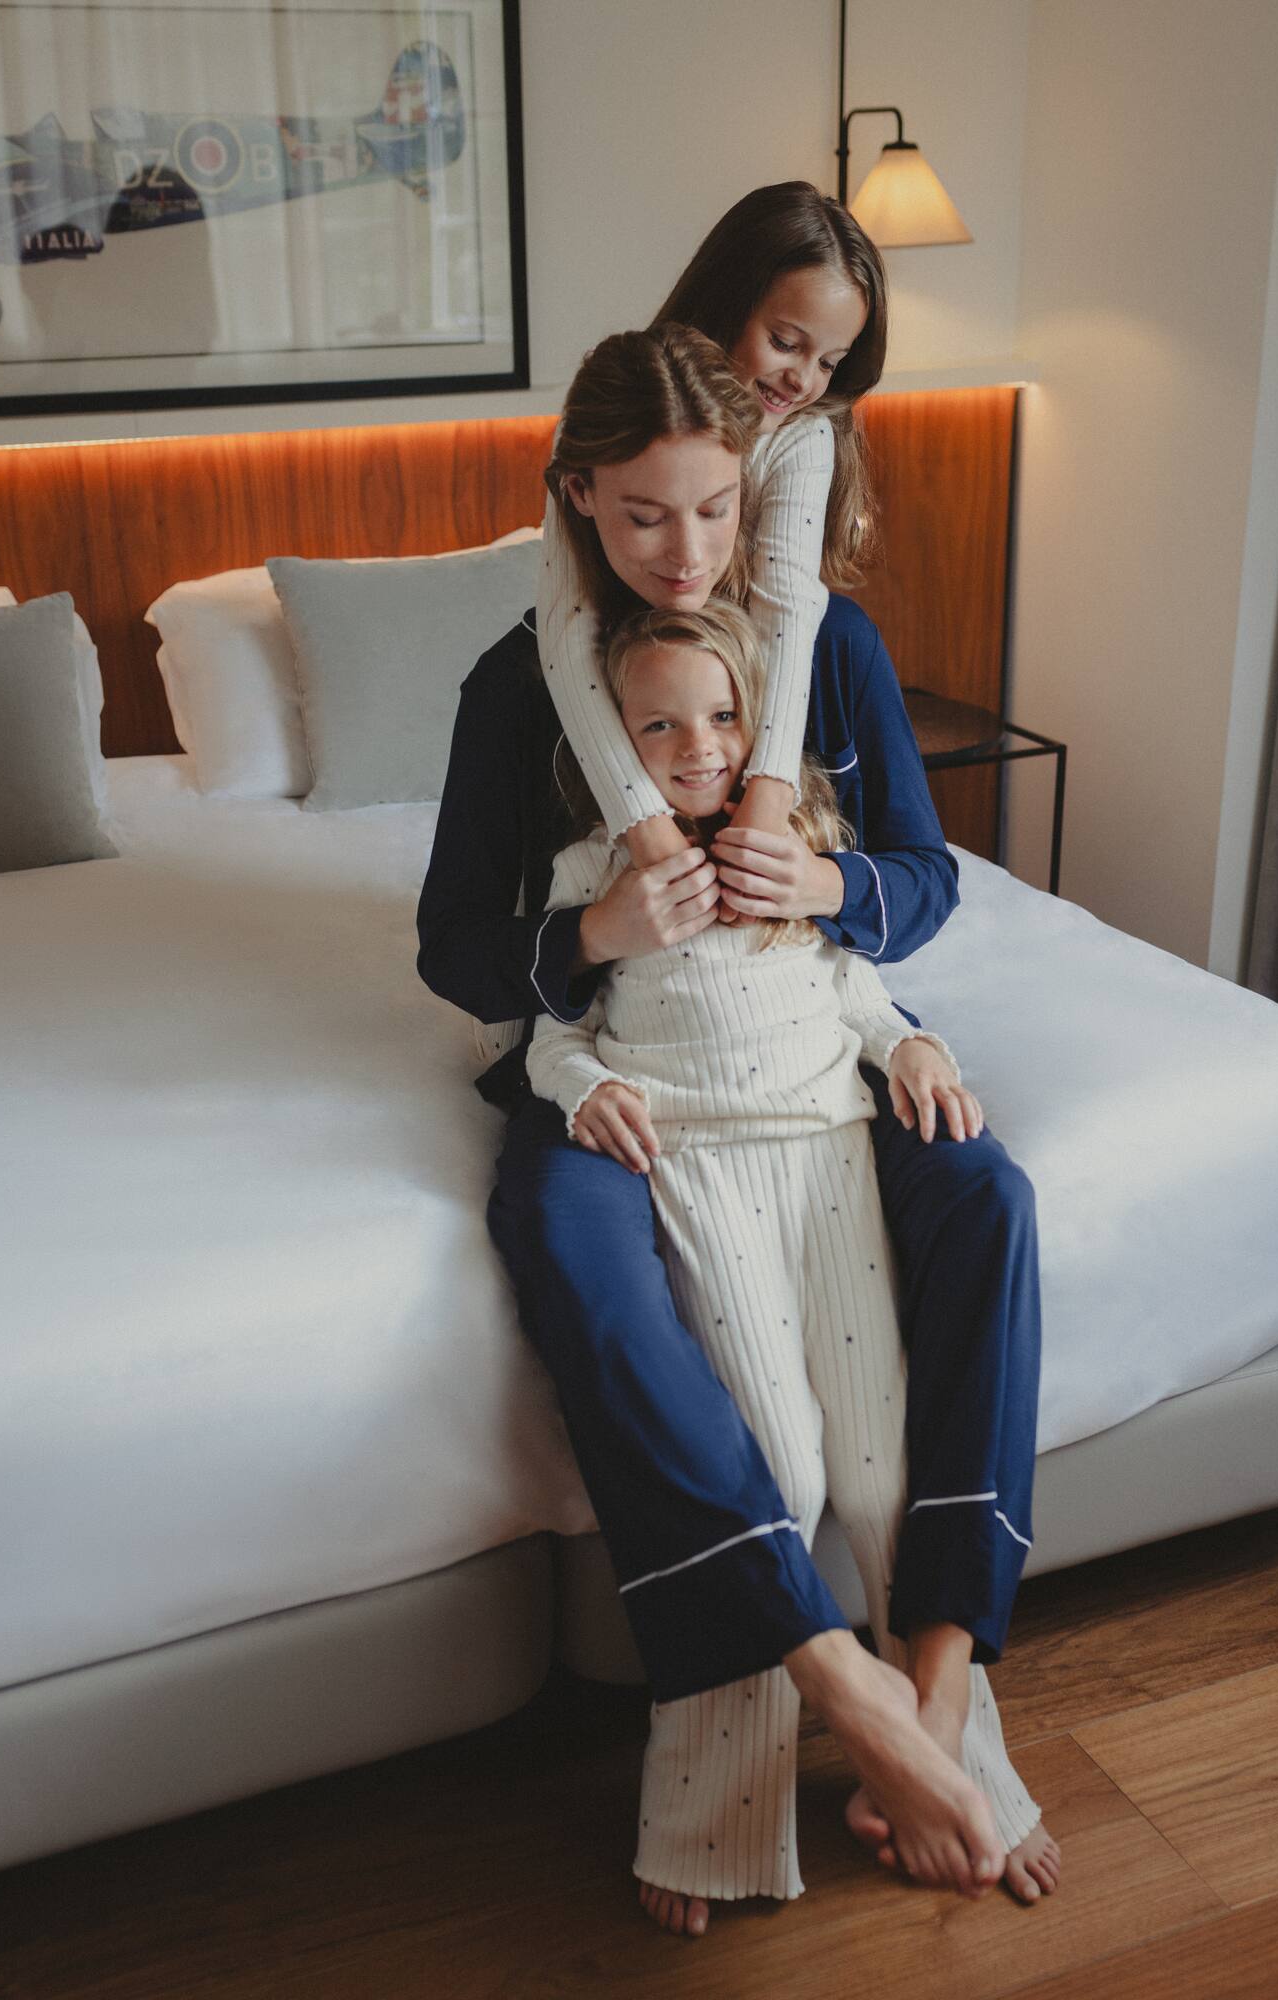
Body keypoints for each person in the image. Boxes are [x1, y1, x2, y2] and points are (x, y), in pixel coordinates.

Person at [415, 325, 1053, 1937]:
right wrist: (599, 942)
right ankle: (801, 1726)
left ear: (752, 490)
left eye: (707, 514)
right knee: (571, 1242)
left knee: (985, 1193)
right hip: (627, 1063)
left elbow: (918, 877)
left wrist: (835, 898)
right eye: (639, 519)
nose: (679, 555)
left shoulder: (817, 651)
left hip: (810, 1052)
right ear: (578, 503)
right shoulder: (518, 686)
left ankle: (940, 1695)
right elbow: (454, 949)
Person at [527, 600, 1041, 1916]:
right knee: (783, 1474)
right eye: (658, 722)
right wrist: (585, 1084)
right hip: (702, 1169)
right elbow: (545, 1026)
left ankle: (953, 1754)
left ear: (761, 729)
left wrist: (910, 1042)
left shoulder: (795, 840)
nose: (696, 746)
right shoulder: (598, 866)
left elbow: (852, 982)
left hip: (831, 1151)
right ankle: (713, 1824)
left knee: (877, 1481)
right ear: (614, 740)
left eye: (721, 716)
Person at [537, 181, 882, 878]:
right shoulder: (605, 435)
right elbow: (569, 629)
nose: (803, 381)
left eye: (829, 362)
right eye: (785, 342)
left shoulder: (802, 437)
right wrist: (646, 827)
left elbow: (786, 602)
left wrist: (766, 799)